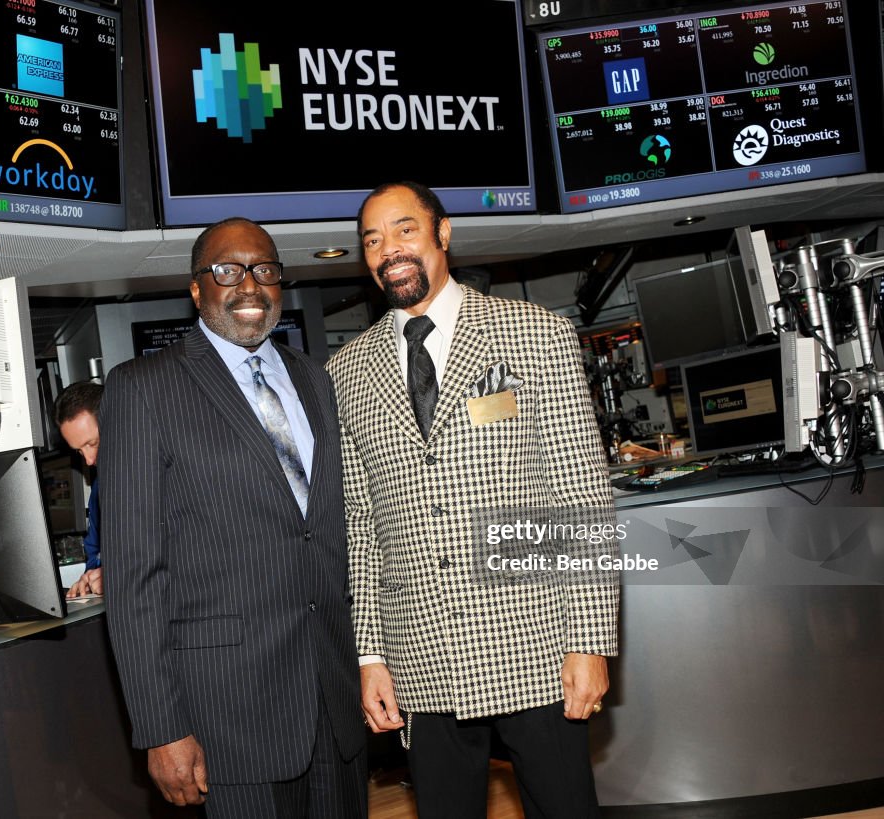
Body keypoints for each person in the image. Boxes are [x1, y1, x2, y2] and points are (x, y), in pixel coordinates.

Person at [326, 182, 619, 819]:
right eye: (373, 240)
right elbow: (361, 525)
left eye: (404, 230)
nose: (389, 251)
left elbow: (582, 498)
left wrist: (590, 640)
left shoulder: (534, 333)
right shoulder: (346, 371)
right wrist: (370, 657)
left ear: (443, 233)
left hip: (535, 643)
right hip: (419, 653)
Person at [98, 217, 366, 817]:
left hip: (333, 698)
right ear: (197, 288)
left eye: (265, 270)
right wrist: (161, 727)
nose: (250, 285)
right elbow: (134, 576)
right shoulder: (143, 388)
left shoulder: (313, 380)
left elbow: (326, 535)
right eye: (228, 270)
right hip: (227, 720)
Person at [54, 380, 104, 598]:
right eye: (79, 451)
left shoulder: (161, 472)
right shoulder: (100, 487)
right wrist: (90, 577)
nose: (90, 460)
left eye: (92, 443)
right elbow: (95, 551)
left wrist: (119, 575)